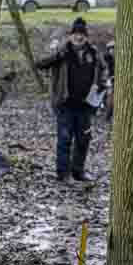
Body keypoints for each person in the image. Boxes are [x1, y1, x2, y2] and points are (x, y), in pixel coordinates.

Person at [35, 17, 106, 182]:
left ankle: (78, 171)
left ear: (86, 36)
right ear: (70, 35)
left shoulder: (93, 53)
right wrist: (57, 55)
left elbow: (103, 71)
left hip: (86, 104)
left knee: (83, 139)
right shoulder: (62, 50)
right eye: (75, 34)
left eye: (82, 34)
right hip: (64, 103)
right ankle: (63, 173)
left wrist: (102, 85)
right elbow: (40, 63)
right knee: (65, 138)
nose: (78, 37)